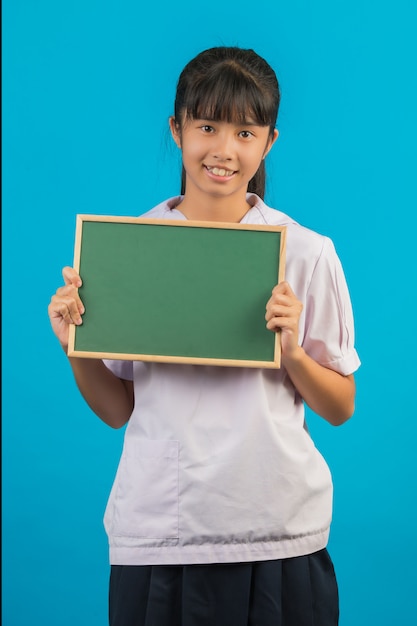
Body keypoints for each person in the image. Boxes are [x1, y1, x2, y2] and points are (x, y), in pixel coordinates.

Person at [48, 46, 360, 626]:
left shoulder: (308, 254)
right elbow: (118, 409)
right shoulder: (129, 250)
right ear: (177, 130)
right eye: (207, 126)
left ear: (269, 142)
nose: (223, 149)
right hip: (162, 531)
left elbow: (340, 406)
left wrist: (291, 352)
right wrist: (75, 347)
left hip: (279, 531)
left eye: (245, 131)